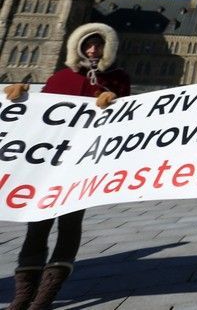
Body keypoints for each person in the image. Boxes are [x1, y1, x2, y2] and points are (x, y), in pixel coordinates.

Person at [3, 22, 130, 310]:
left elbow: (130, 119)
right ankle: (23, 295)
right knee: (37, 226)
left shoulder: (118, 78)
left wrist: (116, 101)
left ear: (107, 48)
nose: (93, 49)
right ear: (78, 47)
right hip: (47, 165)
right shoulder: (60, 77)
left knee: (70, 225)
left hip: (82, 166)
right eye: (88, 44)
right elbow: (38, 113)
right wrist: (21, 95)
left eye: (98, 44)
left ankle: (46, 295)